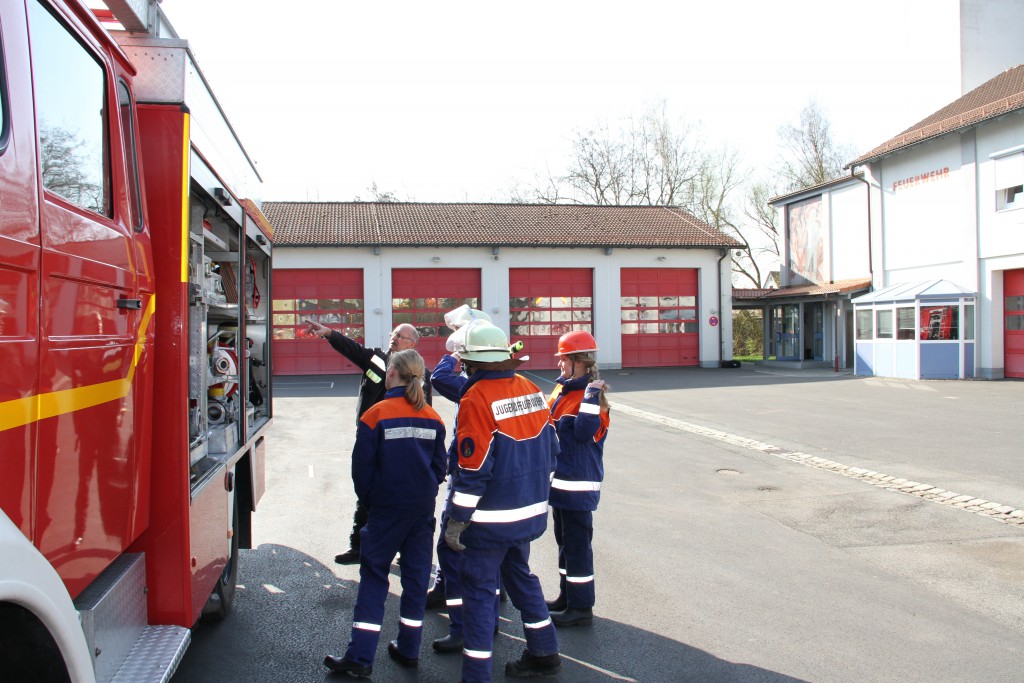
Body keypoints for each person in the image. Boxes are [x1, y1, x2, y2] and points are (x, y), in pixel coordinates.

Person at [443, 319, 562, 681]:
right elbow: (553, 448)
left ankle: (476, 674)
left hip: (490, 520)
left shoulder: (475, 397)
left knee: (479, 592)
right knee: (520, 576)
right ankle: (544, 651)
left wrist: (457, 520)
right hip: (529, 513)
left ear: (467, 362)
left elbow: (473, 469)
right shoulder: (529, 387)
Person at [323, 349, 447, 678]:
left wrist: (371, 503)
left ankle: (360, 657)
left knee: (375, 579)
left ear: (392, 373)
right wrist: (424, 492)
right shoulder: (433, 418)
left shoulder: (375, 414)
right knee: (416, 581)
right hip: (421, 511)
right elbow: (440, 468)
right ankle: (409, 650)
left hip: (385, 510)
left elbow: (361, 471)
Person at [304, 318, 431, 564]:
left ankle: (406, 551)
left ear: (413, 343)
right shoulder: (376, 360)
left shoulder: (420, 373)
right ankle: (359, 547)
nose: (393, 337)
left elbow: (426, 415)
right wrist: (329, 333)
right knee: (367, 496)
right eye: (393, 333)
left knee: (402, 497)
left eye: (400, 335)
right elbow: (352, 348)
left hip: (402, 446)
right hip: (372, 441)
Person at [426, 305, 502, 655]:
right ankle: (488, 615)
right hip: (504, 488)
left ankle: (462, 626)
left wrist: (452, 351)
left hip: (472, 482)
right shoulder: (514, 385)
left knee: (453, 548)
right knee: (495, 558)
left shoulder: (474, 388)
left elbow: (440, 378)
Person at [544, 330, 610, 628]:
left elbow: (584, 433)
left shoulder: (591, 398)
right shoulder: (563, 391)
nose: (559, 364)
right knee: (564, 543)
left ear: (579, 362)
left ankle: (581, 608)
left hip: (577, 485)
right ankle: (566, 595)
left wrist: (591, 396)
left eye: (564, 360)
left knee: (577, 546)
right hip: (560, 483)